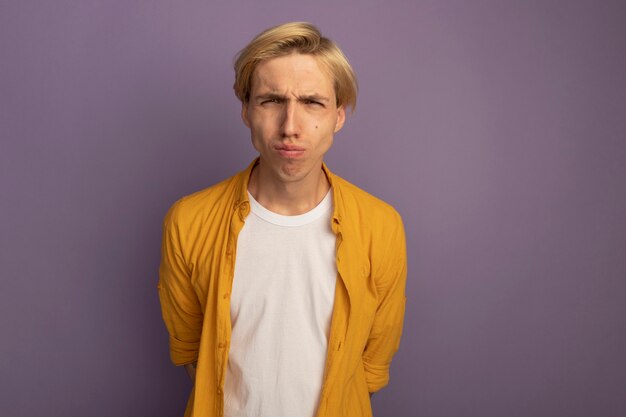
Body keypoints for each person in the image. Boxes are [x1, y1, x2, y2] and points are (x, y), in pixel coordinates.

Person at [158, 22, 407, 417]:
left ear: (338, 116)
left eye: (312, 102)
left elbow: (369, 371)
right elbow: (192, 352)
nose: (290, 127)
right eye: (271, 101)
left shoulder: (381, 228)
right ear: (246, 111)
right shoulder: (189, 222)